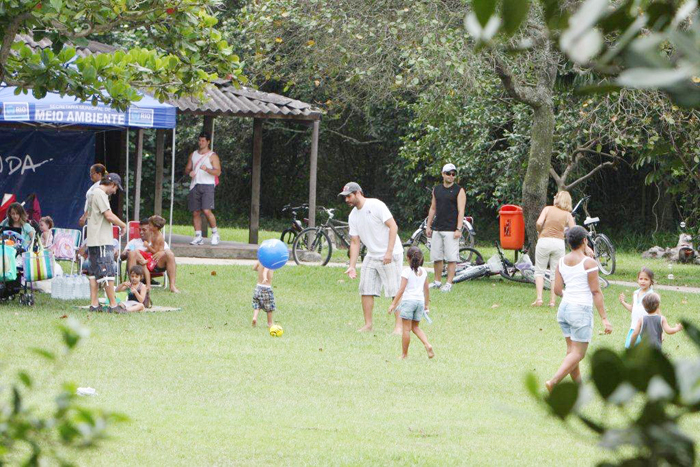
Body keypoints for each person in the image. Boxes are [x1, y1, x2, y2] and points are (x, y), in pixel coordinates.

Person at [546, 226, 612, 392]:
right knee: (578, 354)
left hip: (564, 309)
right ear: (584, 241)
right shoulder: (589, 263)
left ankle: (579, 388)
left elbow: (557, 289)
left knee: (571, 352)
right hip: (580, 310)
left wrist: (569, 296)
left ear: (569, 242)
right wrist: (604, 318)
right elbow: (596, 291)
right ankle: (553, 382)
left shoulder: (561, 261)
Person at [341, 182, 404, 334]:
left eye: (349, 196)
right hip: (371, 255)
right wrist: (352, 265)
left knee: (394, 290)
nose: (347, 200)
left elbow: (393, 226)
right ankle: (368, 325)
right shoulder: (353, 216)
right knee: (366, 289)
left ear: (358, 193)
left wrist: (388, 252)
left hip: (391, 253)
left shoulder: (376, 205)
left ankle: (399, 326)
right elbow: (355, 242)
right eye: (345, 197)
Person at [86, 173, 127, 313]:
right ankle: (113, 305)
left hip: (92, 239)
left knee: (93, 273)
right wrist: (123, 225)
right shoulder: (100, 194)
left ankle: (94, 304)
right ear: (112, 184)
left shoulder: (92, 193)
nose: (115, 192)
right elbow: (108, 215)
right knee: (107, 272)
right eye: (115, 188)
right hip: (101, 240)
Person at [426, 163, 466, 293]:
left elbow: (461, 211)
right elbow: (433, 208)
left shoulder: (459, 190)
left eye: (453, 174)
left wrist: (458, 229)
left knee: (451, 257)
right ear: (443, 174)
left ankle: (449, 283)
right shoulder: (436, 189)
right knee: (437, 256)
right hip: (437, 228)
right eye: (448, 173)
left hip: (451, 229)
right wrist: (429, 225)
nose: (451, 176)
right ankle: (437, 281)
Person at [388, 246, 434, 359]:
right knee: (416, 327)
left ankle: (404, 354)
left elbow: (401, 289)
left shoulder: (406, 272)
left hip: (409, 302)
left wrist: (393, 304)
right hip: (420, 302)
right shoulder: (423, 272)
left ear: (408, 258)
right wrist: (426, 304)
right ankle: (427, 344)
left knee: (406, 329)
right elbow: (426, 289)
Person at [532, 191, 576, 307]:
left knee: (539, 270)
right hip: (558, 243)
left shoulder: (547, 209)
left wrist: (539, 230)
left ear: (558, 199)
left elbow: (539, 222)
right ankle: (552, 301)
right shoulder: (567, 215)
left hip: (544, 240)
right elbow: (574, 232)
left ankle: (539, 299)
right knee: (555, 273)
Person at [184, 131, 221, 246]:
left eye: (203, 141)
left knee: (206, 210)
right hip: (195, 185)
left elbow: (218, 172)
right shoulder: (193, 154)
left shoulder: (212, 156)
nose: (201, 143)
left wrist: (207, 169)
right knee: (195, 212)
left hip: (208, 185)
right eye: (199, 140)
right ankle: (198, 236)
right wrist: (190, 173)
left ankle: (215, 233)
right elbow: (187, 169)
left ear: (208, 142)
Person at [137, 215, 179, 293]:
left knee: (170, 255)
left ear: (155, 227)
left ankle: (172, 286)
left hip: (156, 260)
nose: (148, 226)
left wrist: (147, 246)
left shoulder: (158, 237)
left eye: (149, 225)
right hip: (152, 257)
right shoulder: (153, 234)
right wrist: (145, 250)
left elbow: (155, 251)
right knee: (136, 252)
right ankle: (143, 284)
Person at [619, 267, 655, 349]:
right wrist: (623, 302)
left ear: (651, 281)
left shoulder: (651, 295)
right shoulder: (635, 293)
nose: (643, 281)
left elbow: (657, 313)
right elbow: (633, 309)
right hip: (634, 326)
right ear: (637, 280)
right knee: (629, 347)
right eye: (641, 278)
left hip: (646, 328)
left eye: (646, 279)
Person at [252, 261, 276, 328]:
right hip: (266, 288)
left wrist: (259, 269)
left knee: (257, 304)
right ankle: (270, 323)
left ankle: (254, 317)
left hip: (258, 287)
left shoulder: (260, 261)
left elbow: (254, 268)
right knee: (269, 307)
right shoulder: (269, 263)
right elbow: (266, 269)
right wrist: (265, 276)